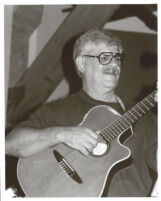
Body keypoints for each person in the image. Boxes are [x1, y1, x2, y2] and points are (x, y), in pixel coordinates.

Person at [5, 29, 157, 197]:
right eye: (105, 57)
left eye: (118, 59)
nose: (114, 65)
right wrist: (61, 134)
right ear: (82, 64)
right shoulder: (56, 111)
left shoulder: (145, 117)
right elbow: (10, 144)